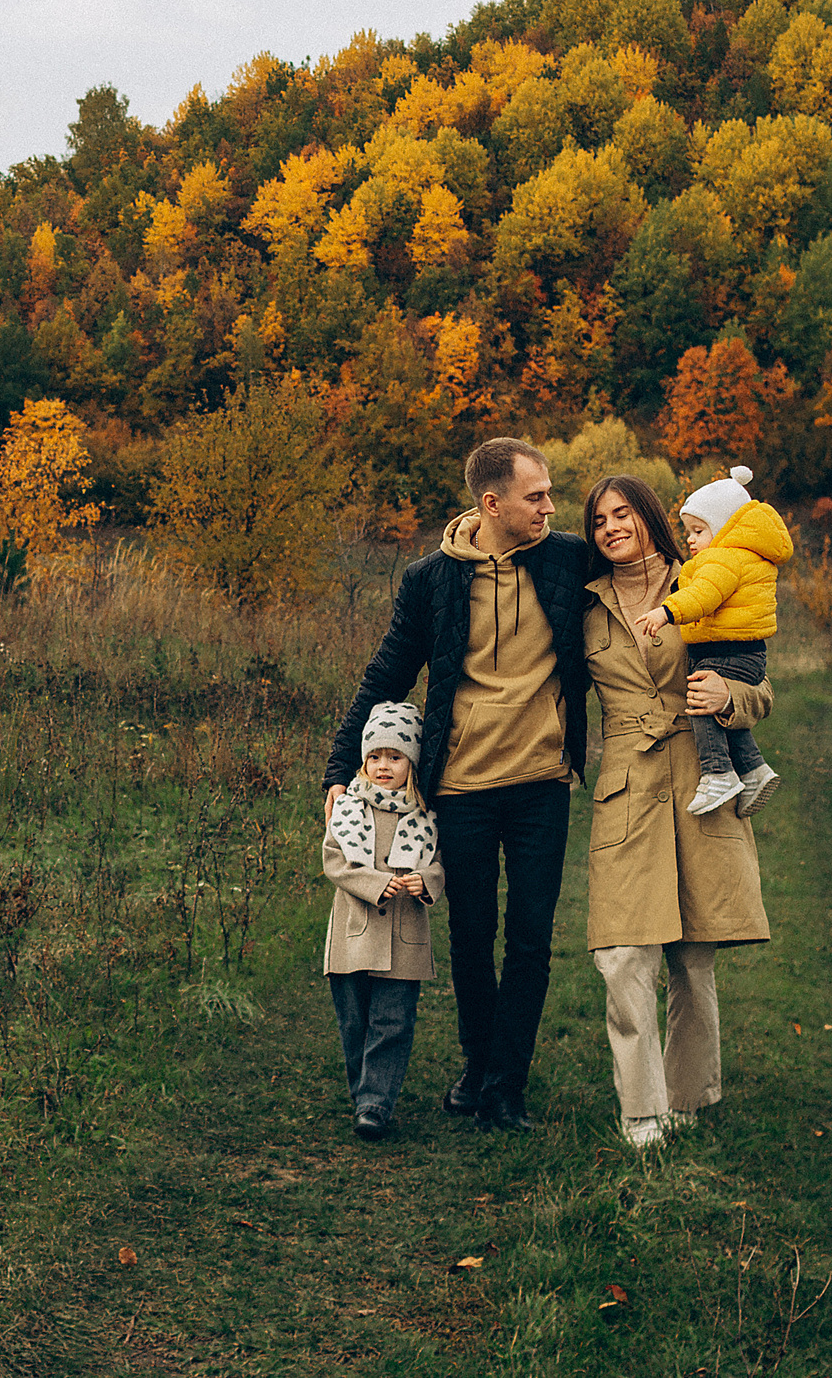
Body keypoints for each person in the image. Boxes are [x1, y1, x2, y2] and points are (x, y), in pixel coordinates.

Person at [323, 437, 593, 1132]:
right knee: (473, 933)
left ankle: (507, 1086)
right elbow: (386, 674)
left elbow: (645, 570)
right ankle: (477, 1067)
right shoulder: (430, 578)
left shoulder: (565, 559)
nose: (550, 506)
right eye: (536, 496)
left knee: (531, 937)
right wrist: (336, 771)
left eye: (551, 494)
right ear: (491, 503)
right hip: (463, 788)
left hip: (542, 783)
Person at [583, 472, 777, 1149]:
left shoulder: (699, 577)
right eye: (599, 518)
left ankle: (688, 1098)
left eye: (623, 513)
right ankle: (641, 1109)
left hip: (701, 778)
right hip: (626, 786)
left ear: (649, 519)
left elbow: (758, 686)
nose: (611, 527)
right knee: (621, 949)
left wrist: (728, 697)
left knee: (692, 953)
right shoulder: (584, 602)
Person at [632, 464, 793, 815]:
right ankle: (753, 770)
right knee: (719, 708)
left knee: (701, 703)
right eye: (687, 531)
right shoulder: (746, 556)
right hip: (746, 652)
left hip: (725, 651)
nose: (690, 539)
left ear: (723, 529)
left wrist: (666, 612)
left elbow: (704, 595)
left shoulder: (723, 558)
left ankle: (718, 772)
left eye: (698, 530)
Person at [321, 702, 446, 1141]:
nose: (383, 766)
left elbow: (438, 865)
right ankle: (363, 1092)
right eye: (375, 756)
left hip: (403, 937)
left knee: (392, 1021)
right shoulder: (348, 806)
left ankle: (375, 1104)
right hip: (353, 935)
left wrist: (423, 880)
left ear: (411, 762)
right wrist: (376, 884)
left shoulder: (426, 816)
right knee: (354, 1021)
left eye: (395, 757)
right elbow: (334, 862)